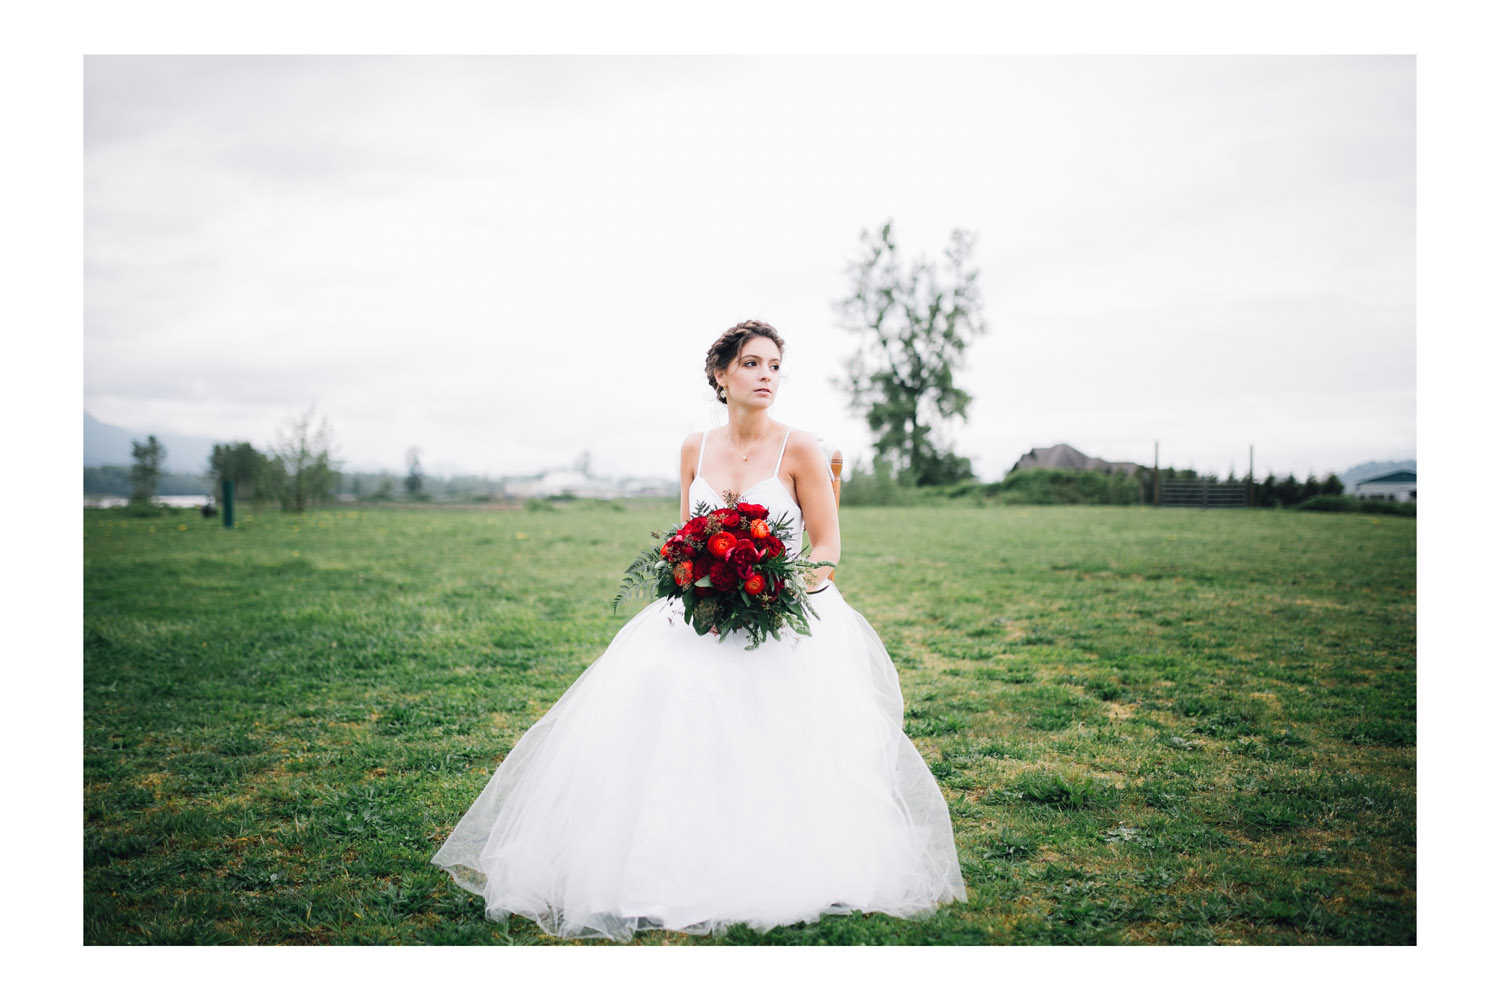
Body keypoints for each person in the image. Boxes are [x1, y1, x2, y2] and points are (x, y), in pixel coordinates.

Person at [431, 319, 966, 941]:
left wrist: (778, 589)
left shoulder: (802, 449)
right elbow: (686, 540)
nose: (766, 376)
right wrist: (696, 582)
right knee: (662, 681)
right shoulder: (694, 447)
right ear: (721, 375)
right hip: (703, 609)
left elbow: (827, 544)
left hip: (783, 609)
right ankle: (658, 850)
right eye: (752, 365)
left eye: (774, 367)